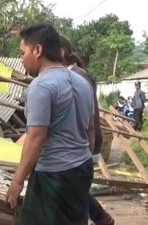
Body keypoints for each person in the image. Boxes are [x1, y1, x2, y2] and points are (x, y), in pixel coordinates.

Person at [6, 22, 95, 225]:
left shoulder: (41, 86)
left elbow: (36, 138)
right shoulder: (83, 82)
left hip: (53, 176)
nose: (22, 59)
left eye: (23, 52)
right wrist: (81, 160)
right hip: (82, 168)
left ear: (38, 50)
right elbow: (90, 129)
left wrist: (18, 181)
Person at [60, 35, 115, 225]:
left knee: (74, 192)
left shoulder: (76, 76)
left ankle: (101, 218)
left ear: (60, 53)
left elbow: (86, 119)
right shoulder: (75, 74)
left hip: (85, 143)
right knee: (76, 189)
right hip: (84, 142)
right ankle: (102, 218)